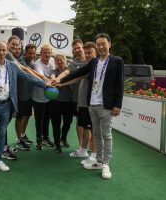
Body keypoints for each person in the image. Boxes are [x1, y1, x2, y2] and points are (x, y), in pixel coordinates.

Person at [0, 41, 48, 177]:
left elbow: (27, 77)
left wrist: (44, 84)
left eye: (3, 50)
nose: (1, 53)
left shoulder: (13, 66)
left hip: (6, 105)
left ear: (7, 51)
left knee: (2, 133)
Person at [59, 33, 124, 179]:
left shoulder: (117, 61)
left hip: (106, 105)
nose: (101, 46)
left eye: (103, 44)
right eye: (98, 44)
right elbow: (77, 72)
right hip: (92, 104)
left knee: (106, 134)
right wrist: (60, 81)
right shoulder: (94, 62)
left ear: (109, 44)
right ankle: (98, 161)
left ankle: (106, 164)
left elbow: (120, 85)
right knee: (97, 134)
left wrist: (117, 104)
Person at [57, 42, 98, 162]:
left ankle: (94, 154)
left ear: (95, 51)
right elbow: (73, 75)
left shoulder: (94, 64)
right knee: (85, 126)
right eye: (86, 53)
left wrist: (61, 82)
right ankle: (83, 150)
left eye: (89, 52)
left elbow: (76, 76)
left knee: (93, 128)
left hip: (92, 102)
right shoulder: (82, 64)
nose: (85, 54)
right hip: (82, 102)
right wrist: (60, 82)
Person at [55, 39, 87, 148]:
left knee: (90, 125)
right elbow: (66, 72)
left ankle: (92, 149)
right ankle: (81, 147)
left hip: (90, 99)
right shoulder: (73, 63)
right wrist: (57, 79)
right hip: (76, 99)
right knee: (79, 123)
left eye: (78, 47)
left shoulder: (91, 60)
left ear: (82, 46)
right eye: (74, 49)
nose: (77, 50)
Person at [32, 44, 55, 150]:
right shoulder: (37, 64)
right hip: (38, 97)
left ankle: (46, 138)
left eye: (49, 52)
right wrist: (51, 80)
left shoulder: (52, 61)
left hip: (49, 97)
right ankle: (39, 140)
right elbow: (42, 77)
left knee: (47, 119)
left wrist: (53, 78)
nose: (47, 54)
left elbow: (54, 73)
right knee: (39, 120)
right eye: (45, 52)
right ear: (40, 53)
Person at [49, 54, 74, 153]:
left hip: (69, 102)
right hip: (55, 102)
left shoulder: (70, 71)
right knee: (56, 124)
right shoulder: (53, 72)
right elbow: (52, 77)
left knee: (68, 122)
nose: (59, 62)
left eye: (61, 60)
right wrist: (53, 79)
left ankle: (63, 138)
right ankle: (57, 144)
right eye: (57, 61)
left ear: (65, 60)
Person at [15, 44, 37, 150]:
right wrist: (42, 77)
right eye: (30, 53)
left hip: (29, 95)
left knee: (27, 115)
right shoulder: (20, 60)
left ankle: (23, 135)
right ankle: (18, 139)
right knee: (19, 117)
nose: (32, 55)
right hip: (20, 95)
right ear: (25, 53)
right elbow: (27, 70)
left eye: (34, 53)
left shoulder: (33, 61)